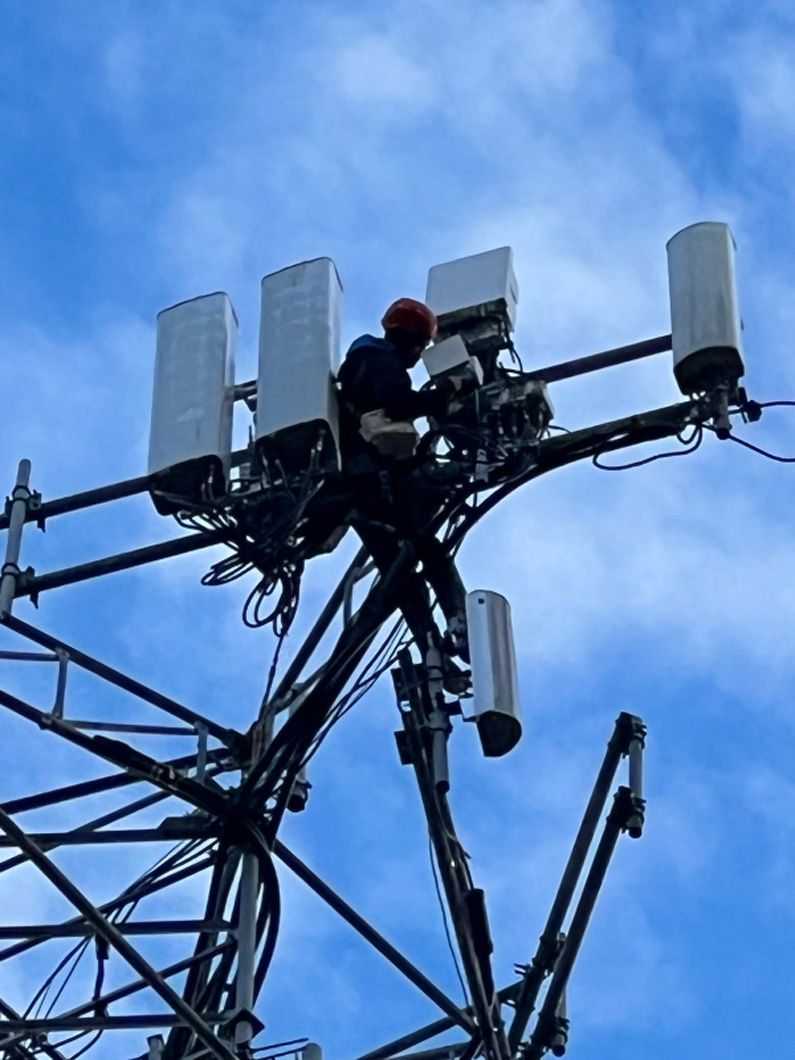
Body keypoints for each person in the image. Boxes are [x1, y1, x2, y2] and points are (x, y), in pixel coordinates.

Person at [336, 297, 470, 664]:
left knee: (400, 573)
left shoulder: (358, 364)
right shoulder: (378, 359)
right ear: (410, 339)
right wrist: (448, 390)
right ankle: (459, 621)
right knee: (429, 548)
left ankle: (429, 644)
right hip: (380, 478)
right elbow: (397, 404)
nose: (418, 354)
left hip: (357, 492)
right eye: (420, 346)